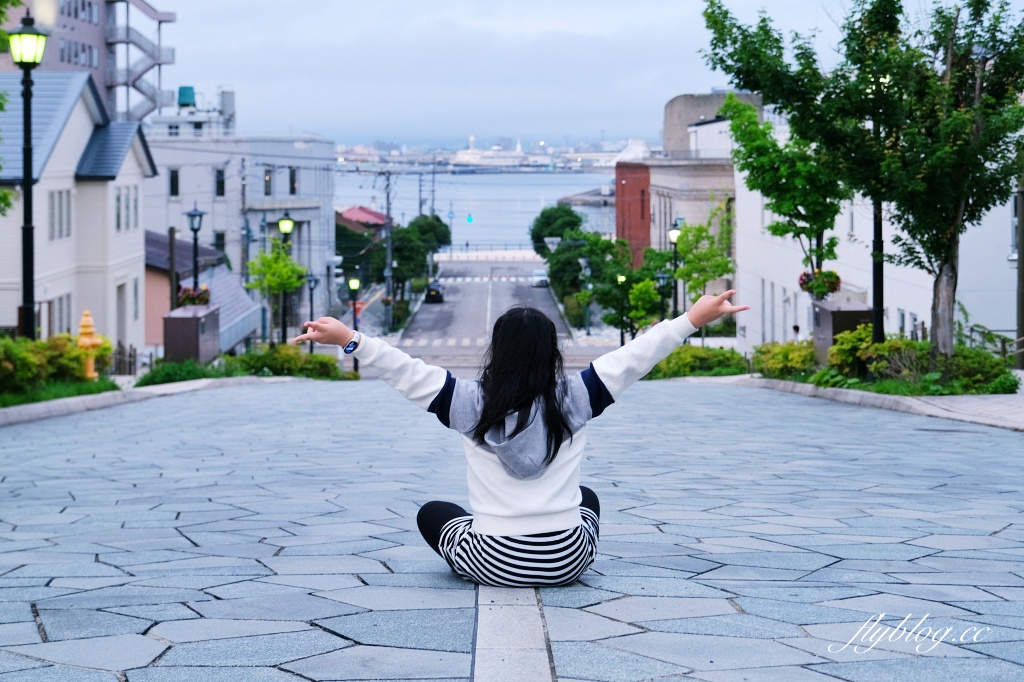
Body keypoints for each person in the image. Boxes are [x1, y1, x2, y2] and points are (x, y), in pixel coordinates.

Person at [293, 291, 748, 587]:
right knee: (586, 497)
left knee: (434, 513)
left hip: (492, 559)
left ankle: (491, 534)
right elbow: (635, 356)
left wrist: (350, 338)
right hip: (568, 559)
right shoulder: (578, 397)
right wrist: (692, 318)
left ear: (497, 350)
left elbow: (405, 371)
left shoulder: (467, 403)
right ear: (552, 351)